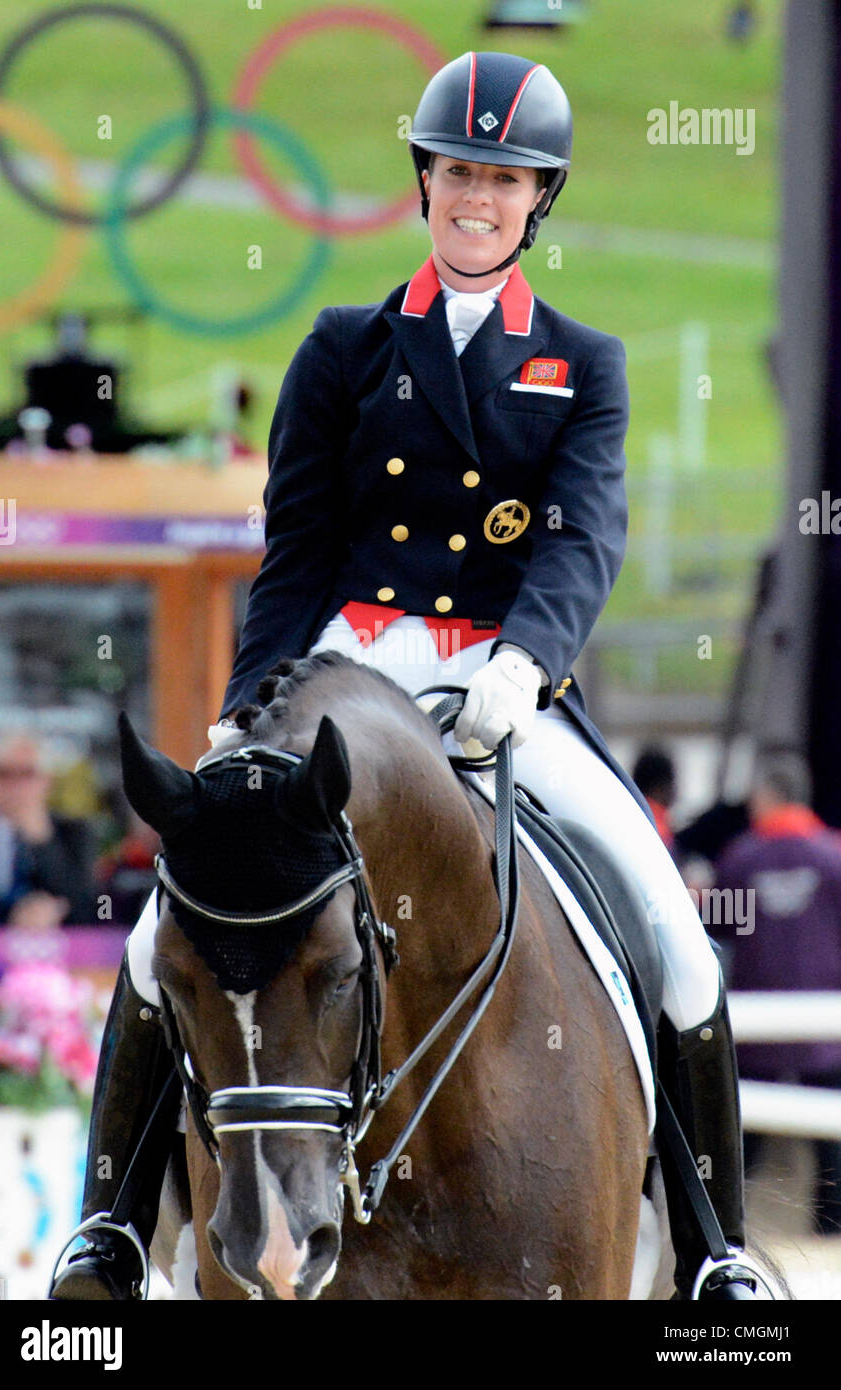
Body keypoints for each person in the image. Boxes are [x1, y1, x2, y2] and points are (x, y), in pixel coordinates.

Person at [51, 51, 764, 1301]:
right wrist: (251, 699)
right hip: (346, 669)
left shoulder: (584, 365)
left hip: (504, 688)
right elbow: (298, 545)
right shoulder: (343, 349)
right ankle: (106, 1231)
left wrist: (527, 661)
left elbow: (583, 535)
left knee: (675, 936)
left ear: (537, 198)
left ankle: (717, 1256)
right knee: (169, 923)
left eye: (502, 178)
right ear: (423, 182)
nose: (475, 198)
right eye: (456, 173)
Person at [713, 751, 841, 1236]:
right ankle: (831, 1244)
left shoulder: (741, 861)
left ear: (767, 796)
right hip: (828, 1038)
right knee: (834, 1153)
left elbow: (718, 931)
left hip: (756, 1040)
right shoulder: (834, 859)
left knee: (738, 1155)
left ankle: (726, 1237)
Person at [0, 730, 97, 928]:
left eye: (27, 774)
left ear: (47, 781)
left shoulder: (74, 832)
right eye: (3, 774)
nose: (16, 786)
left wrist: (42, 840)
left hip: (63, 952)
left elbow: (95, 908)